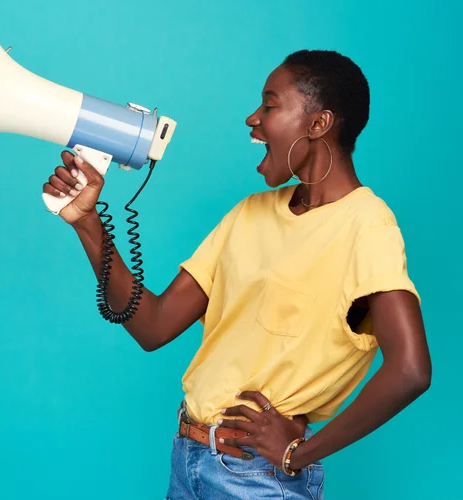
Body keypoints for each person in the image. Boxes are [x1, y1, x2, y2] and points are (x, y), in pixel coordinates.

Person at [42, 49, 431, 499]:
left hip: (255, 480)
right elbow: (153, 325)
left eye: (270, 105)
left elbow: (410, 369)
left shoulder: (367, 224)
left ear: (318, 123)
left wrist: (297, 455)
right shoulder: (250, 215)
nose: (253, 119)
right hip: (188, 461)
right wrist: (88, 222)